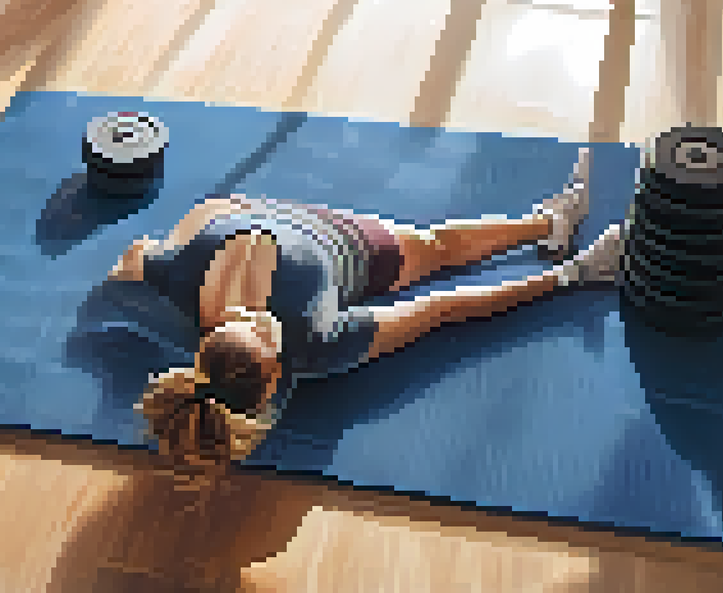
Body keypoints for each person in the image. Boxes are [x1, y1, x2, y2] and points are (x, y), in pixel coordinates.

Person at [105, 148, 625, 481]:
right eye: (263, 332)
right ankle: (550, 227)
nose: (252, 315)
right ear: (276, 378)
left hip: (300, 226)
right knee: (434, 248)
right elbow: (439, 308)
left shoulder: (294, 333)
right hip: (330, 245)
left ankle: (548, 225)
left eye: (243, 321)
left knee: (436, 246)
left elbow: (138, 256)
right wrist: (569, 276)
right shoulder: (311, 340)